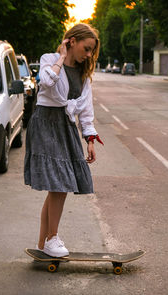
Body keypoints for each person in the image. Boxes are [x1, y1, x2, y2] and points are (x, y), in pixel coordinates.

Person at [24, 23, 103, 258]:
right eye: (86, 48)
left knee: (57, 187)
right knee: (59, 184)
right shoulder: (49, 58)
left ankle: (43, 242)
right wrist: (61, 57)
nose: (88, 55)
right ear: (72, 41)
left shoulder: (83, 73)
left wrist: (89, 138)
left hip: (65, 127)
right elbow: (46, 82)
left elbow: (85, 109)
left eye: (91, 51)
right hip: (45, 124)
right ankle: (52, 239)